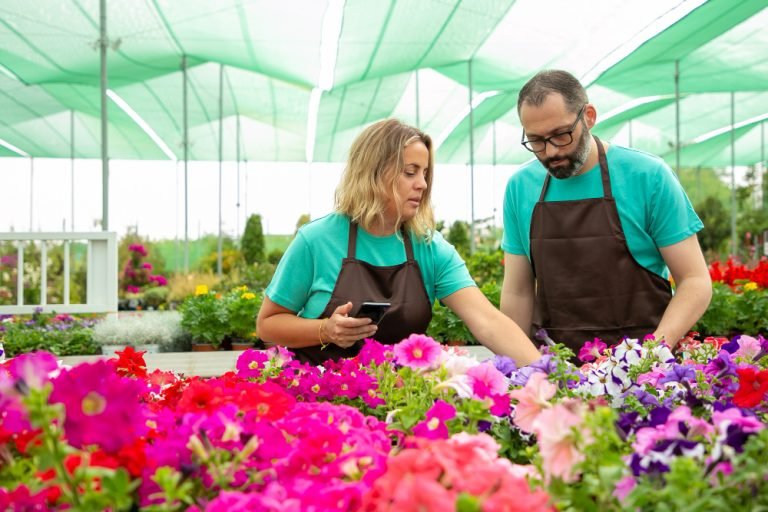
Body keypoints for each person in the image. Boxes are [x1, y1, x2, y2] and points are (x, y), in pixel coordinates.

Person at [257, 119, 541, 366]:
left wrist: (547, 376)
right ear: (373, 172)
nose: (423, 184)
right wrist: (325, 330)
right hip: (320, 400)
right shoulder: (316, 241)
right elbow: (267, 325)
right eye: (410, 172)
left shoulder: (429, 247)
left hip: (396, 401)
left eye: (425, 173)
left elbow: (488, 321)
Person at [501, 69, 712, 354]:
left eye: (561, 135)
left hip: (642, 374)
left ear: (588, 116)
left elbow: (695, 281)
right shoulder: (520, 187)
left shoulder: (647, 176)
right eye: (536, 141)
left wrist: (651, 354)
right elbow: (518, 292)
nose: (550, 152)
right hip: (556, 368)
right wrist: (520, 364)